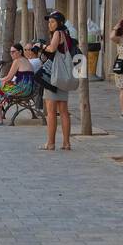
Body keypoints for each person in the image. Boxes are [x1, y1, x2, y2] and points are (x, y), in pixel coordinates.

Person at [39, 11, 75, 151]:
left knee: (51, 111)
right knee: (64, 111)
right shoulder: (66, 35)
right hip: (64, 77)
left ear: (59, 23)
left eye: (53, 22)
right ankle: (66, 143)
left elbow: (52, 48)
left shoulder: (57, 33)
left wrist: (41, 46)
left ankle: (51, 143)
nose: (50, 24)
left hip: (54, 77)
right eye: (49, 22)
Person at [0, 42, 36, 122]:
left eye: (13, 52)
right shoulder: (25, 60)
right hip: (28, 88)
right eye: (10, 52)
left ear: (20, 52)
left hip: (22, 88)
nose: (11, 54)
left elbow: (9, 78)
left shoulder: (17, 61)